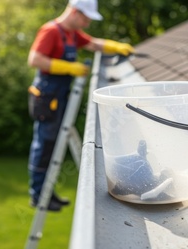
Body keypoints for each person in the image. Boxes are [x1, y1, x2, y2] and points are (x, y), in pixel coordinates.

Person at [27, 0, 135, 211]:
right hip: (47, 98)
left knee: (54, 145)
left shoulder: (71, 34)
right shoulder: (50, 31)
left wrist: (116, 46)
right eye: (85, 18)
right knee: (44, 145)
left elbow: (93, 43)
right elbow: (34, 59)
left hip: (58, 96)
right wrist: (67, 67)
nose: (86, 24)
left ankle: (47, 194)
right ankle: (38, 195)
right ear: (75, 12)